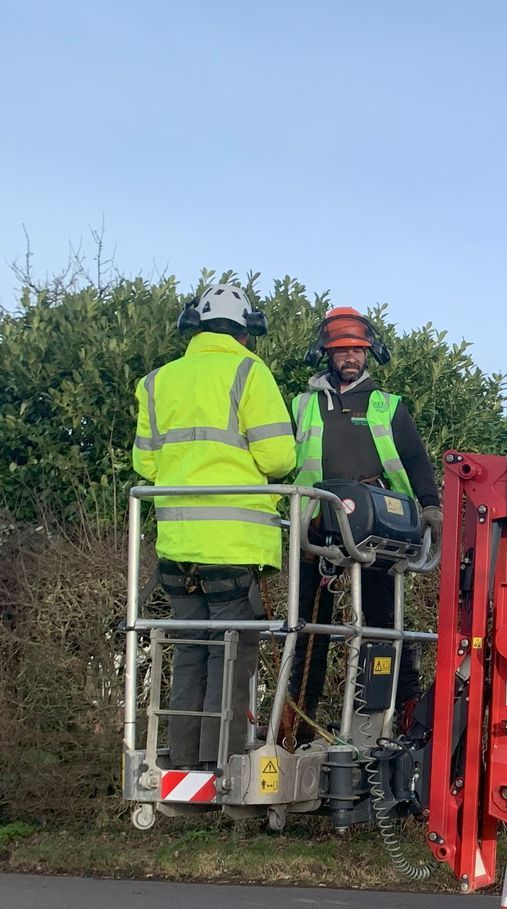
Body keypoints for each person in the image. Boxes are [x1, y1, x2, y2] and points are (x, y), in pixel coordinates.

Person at [132, 283, 297, 767]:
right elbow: (279, 458)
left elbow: (146, 465)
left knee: (188, 652)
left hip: (177, 547)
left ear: (195, 327)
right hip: (233, 544)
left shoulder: (156, 381)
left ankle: (181, 762)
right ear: (247, 331)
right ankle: (219, 767)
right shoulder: (249, 371)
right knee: (231, 654)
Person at [285, 306, 441, 741]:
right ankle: (294, 724)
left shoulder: (387, 406)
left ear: (369, 353)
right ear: (327, 355)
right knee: (308, 631)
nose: (349, 357)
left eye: (356, 350)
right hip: (318, 529)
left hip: (379, 531)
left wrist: (430, 505)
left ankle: (395, 717)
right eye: (341, 351)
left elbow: (415, 460)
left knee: (383, 627)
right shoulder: (303, 405)